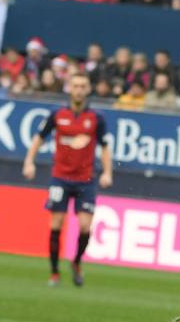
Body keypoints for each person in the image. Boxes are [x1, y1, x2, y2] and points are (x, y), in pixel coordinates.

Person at [21, 72, 114, 287]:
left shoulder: (96, 118)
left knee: (84, 226)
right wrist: (29, 162)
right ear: (69, 89)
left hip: (86, 179)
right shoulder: (57, 114)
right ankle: (54, 272)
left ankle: (77, 261)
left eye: (83, 86)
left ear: (88, 89)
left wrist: (108, 172)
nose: (79, 90)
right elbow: (38, 138)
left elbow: (105, 146)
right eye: (75, 86)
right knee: (56, 223)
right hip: (60, 178)